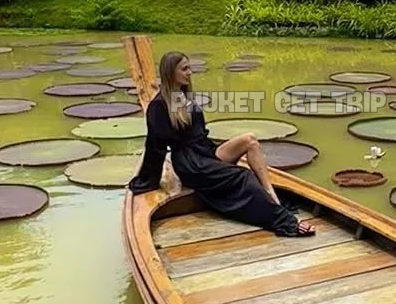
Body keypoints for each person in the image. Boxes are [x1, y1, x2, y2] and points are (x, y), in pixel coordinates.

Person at [128, 51, 315, 237]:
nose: (190, 73)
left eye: (189, 68)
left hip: (205, 150)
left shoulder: (184, 97)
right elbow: (155, 147)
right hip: (190, 163)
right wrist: (148, 179)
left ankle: (271, 194)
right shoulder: (159, 106)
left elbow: (199, 133)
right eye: (184, 69)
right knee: (244, 176)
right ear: (170, 72)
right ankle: (283, 220)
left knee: (250, 140)